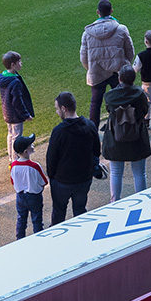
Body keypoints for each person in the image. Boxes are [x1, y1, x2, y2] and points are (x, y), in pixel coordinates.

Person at [46, 90, 100, 225]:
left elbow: (51, 158)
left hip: (62, 181)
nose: (57, 112)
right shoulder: (90, 125)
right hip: (84, 179)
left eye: (57, 108)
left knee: (58, 214)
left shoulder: (58, 131)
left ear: (64, 108)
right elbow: (96, 151)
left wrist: (52, 176)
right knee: (80, 211)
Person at [80, 0, 135, 126]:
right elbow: (130, 51)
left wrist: (91, 68)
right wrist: (124, 67)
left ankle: (93, 131)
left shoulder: (87, 34)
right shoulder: (121, 29)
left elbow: (83, 58)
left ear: (97, 12)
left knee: (95, 103)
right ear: (111, 11)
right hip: (118, 71)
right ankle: (121, 127)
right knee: (121, 100)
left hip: (97, 72)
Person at [101, 65, 151, 202]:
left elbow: (109, 109)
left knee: (116, 173)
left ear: (119, 78)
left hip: (115, 138)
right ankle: (142, 201)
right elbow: (144, 111)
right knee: (139, 173)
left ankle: (115, 202)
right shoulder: (139, 94)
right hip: (137, 137)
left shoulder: (111, 96)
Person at [0, 51, 34, 164]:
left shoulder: (3, 77)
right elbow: (17, 101)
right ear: (13, 64)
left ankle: (11, 158)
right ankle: (15, 160)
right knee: (17, 137)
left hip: (7, 112)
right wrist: (26, 115)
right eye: (19, 62)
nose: (21, 63)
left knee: (10, 135)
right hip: (16, 115)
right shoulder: (15, 81)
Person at [10, 134, 47, 239]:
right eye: (31, 145)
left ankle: (20, 239)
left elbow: (13, 181)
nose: (33, 145)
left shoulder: (13, 166)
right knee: (37, 220)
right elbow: (44, 182)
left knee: (21, 220)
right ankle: (39, 239)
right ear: (26, 151)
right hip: (34, 197)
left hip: (20, 196)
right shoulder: (35, 166)